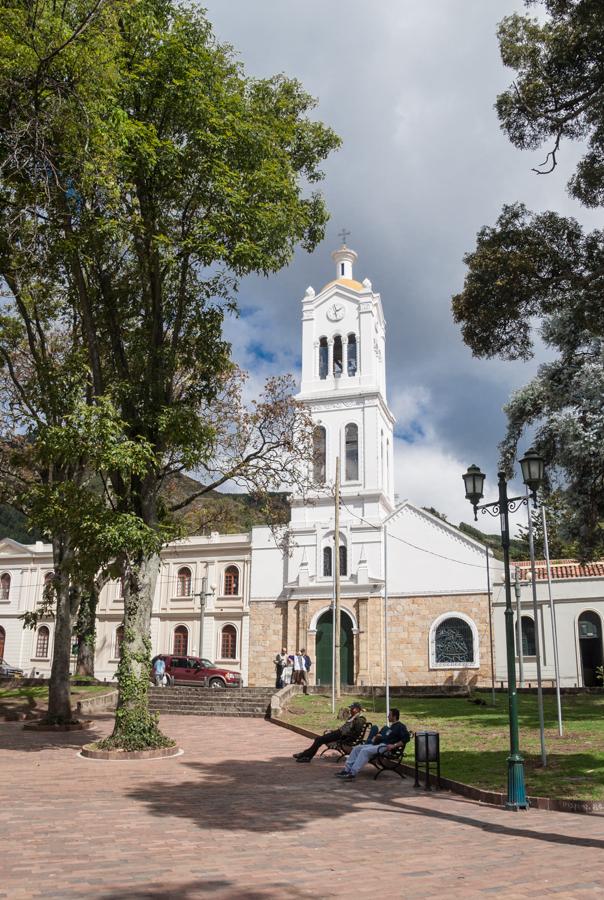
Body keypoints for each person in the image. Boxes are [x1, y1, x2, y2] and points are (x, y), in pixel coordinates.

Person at [335, 707, 410, 780]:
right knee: (357, 748)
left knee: (364, 751)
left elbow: (406, 738)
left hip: (386, 748)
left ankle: (352, 773)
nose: (388, 716)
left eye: (389, 715)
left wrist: (394, 745)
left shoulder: (400, 726)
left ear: (395, 716)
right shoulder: (392, 727)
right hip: (379, 745)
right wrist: (378, 737)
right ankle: (346, 770)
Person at [293, 702, 366, 762]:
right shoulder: (353, 717)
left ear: (356, 709)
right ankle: (305, 755)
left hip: (341, 736)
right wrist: (333, 731)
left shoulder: (359, 719)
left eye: (352, 708)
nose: (350, 710)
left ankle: (306, 756)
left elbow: (356, 733)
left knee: (319, 739)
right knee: (319, 739)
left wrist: (345, 738)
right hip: (339, 733)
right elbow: (345, 728)